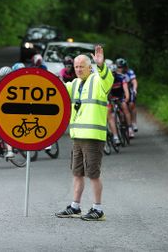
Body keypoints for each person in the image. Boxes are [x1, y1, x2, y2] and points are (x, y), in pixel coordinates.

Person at [55, 45, 113, 221]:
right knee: (77, 172)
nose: (78, 69)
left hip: (93, 137)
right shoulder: (74, 84)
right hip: (77, 137)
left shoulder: (99, 81)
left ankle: (98, 209)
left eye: (82, 66)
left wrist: (101, 65)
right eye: (76, 67)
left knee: (93, 174)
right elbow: (56, 90)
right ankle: (75, 206)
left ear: (90, 67)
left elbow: (107, 79)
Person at [107, 59, 133, 143]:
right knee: (110, 112)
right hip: (112, 97)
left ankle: (129, 128)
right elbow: (107, 92)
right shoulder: (107, 80)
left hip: (121, 95)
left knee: (125, 107)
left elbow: (126, 89)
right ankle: (114, 133)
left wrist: (127, 97)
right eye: (111, 74)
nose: (113, 75)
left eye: (114, 73)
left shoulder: (121, 77)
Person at [117, 58, 138, 132]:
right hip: (120, 91)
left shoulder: (129, 72)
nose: (120, 69)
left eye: (122, 67)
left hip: (129, 89)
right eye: (119, 67)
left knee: (132, 104)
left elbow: (134, 81)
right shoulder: (116, 73)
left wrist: (135, 89)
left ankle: (134, 122)